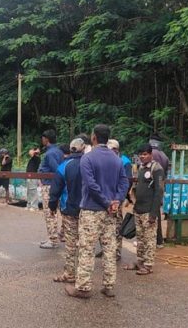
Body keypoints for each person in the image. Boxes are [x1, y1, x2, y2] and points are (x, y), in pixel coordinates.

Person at [65, 124, 128, 299]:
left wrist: (106, 201)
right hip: (110, 212)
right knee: (109, 248)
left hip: (92, 210)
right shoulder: (116, 159)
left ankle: (83, 287)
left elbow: (91, 185)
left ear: (93, 137)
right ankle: (109, 285)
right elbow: (124, 182)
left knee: (87, 248)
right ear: (107, 138)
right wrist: (116, 200)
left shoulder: (88, 158)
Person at [124, 144, 164, 275]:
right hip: (139, 210)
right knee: (140, 239)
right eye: (140, 154)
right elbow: (136, 188)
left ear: (150, 154)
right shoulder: (140, 168)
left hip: (149, 211)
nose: (142, 156)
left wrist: (153, 213)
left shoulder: (156, 169)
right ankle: (140, 262)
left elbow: (159, 191)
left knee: (149, 239)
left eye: (145, 154)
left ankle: (148, 265)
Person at [50, 138, 85, 283]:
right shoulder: (89, 164)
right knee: (85, 244)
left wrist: (52, 206)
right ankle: (84, 276)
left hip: (69, 209)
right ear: (83, 149)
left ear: (70, 149)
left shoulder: (63, 166)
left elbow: (55, 190)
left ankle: (70, 274)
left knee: (71, 244)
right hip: (88, 210)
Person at [95, 139, 131, 260]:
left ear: (117, 150)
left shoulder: (124, 162)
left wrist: (121, 198)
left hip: (116, 199)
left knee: (116, 225)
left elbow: (126, 182)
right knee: (102, 224)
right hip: (104, 198)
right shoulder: (106, 160)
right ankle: (105, 249)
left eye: (112, 150)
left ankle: (116, 251)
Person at [38, 129, 64, 249]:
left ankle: (53, 240)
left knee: (50, 213)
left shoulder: (51, 153)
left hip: (49, 185)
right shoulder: (58, 151)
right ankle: (52, 237)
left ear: (46, 139)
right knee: (53, 212)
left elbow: (57, 169)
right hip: (53, 185)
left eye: (43, 138)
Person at [149, 133, 170, 248]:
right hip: (160, 188)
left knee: (150, 215)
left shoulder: (149, 154)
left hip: (150, 189)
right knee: (156, 212)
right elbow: (165, 175)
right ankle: (159, 240)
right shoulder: (164, 156)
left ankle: (153, 241)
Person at [25, 147, 41, 212]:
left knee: (33, 191)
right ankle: (29, 205)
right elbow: (30, 152)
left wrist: (36, 151)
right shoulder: (32, 158)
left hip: (33, 176)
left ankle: (35, 206)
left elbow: (31, 152)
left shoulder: (37, 158)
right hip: (29, 176)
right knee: (29, 192)